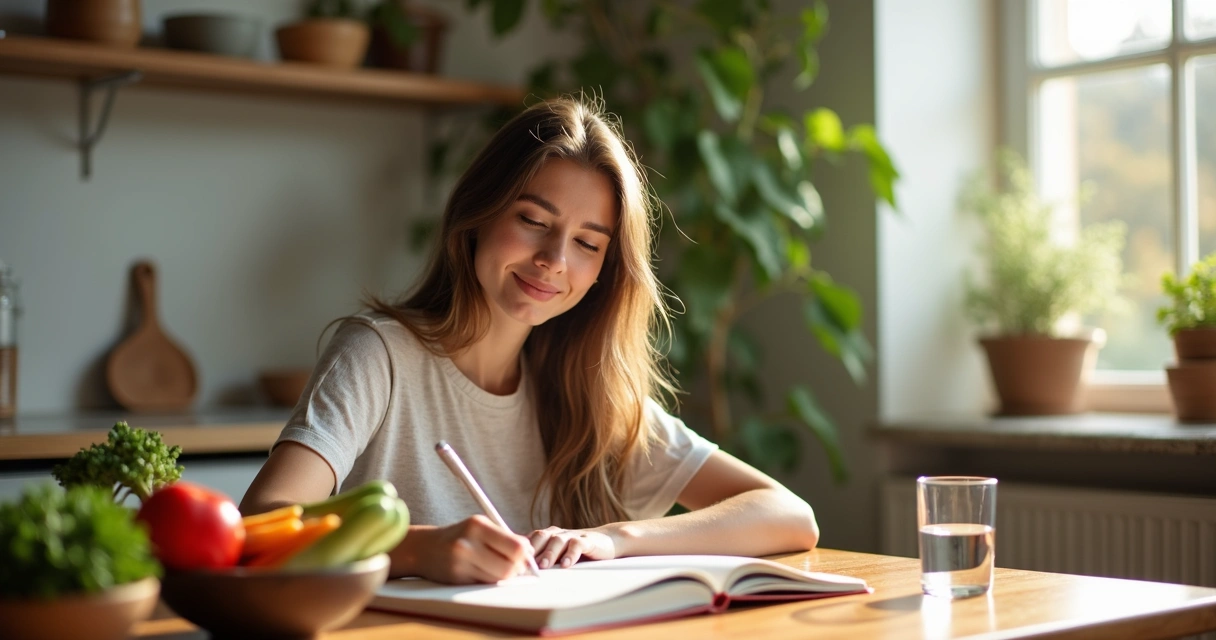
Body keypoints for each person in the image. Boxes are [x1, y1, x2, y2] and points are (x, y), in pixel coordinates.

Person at [240, 97, 820, 585]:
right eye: (533, 221)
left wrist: (614, 540)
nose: (553, 261)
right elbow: (259, 523)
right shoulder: (379, 355)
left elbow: (788, 515)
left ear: (604, 273)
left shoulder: (589, 390)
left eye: (588, 244)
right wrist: (417, 550)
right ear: (477, 215)